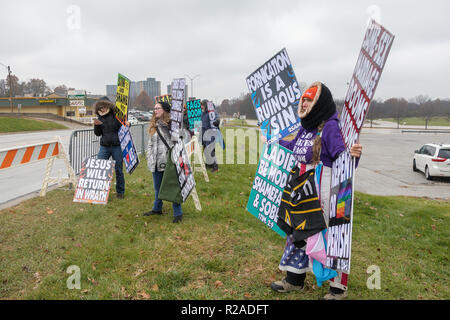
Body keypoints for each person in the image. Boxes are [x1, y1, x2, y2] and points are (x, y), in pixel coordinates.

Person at [269, 82, 362, 300]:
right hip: (302, 189)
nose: (304, 102)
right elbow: (294, 148)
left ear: (319, 103)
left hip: (323, 190)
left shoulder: (328, 126)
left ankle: (338, 288)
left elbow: (343, 159)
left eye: (309, 99)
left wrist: (355, 155)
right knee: (297, 233)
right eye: (303, 99)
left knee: (329, 235)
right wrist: (273, 141)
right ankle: (294, 280)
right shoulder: (306, 127)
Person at [144, 101, 183, 223]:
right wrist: (150, 158)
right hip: (155, 162)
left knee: (172, 186)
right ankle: (157, 209)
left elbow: (178, 142)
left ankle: (178, 213)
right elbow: (150, 144)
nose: (155, 110)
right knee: (157, 188)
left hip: (168, 162)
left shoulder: (172, 125)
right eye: (154, 108)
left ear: (165, 110)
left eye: (158, 108)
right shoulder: (153, 125)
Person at [93, 96, 126, 199]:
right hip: (104, 147)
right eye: (101, 107)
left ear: (109, 106)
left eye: (105, 106)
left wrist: (128, 124)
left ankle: (120, 192)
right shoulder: (99, 118)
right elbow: (98, 134)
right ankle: (100, 192)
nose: (103, 109)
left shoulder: (117, 116)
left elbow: (124, 126)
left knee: (119, 170)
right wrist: (96, 125)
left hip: (117, 146)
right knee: (100, 169)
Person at [200, 99, 220, 172]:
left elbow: (217, 116)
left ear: (205, 105)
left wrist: (217, 121)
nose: (201, 106)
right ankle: (209, 164)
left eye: (202, 105)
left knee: (211, 151)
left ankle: (215, 167)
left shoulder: (211, 112)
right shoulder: (202, 113)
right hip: (204, 134)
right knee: (205, 150)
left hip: (210, 134)